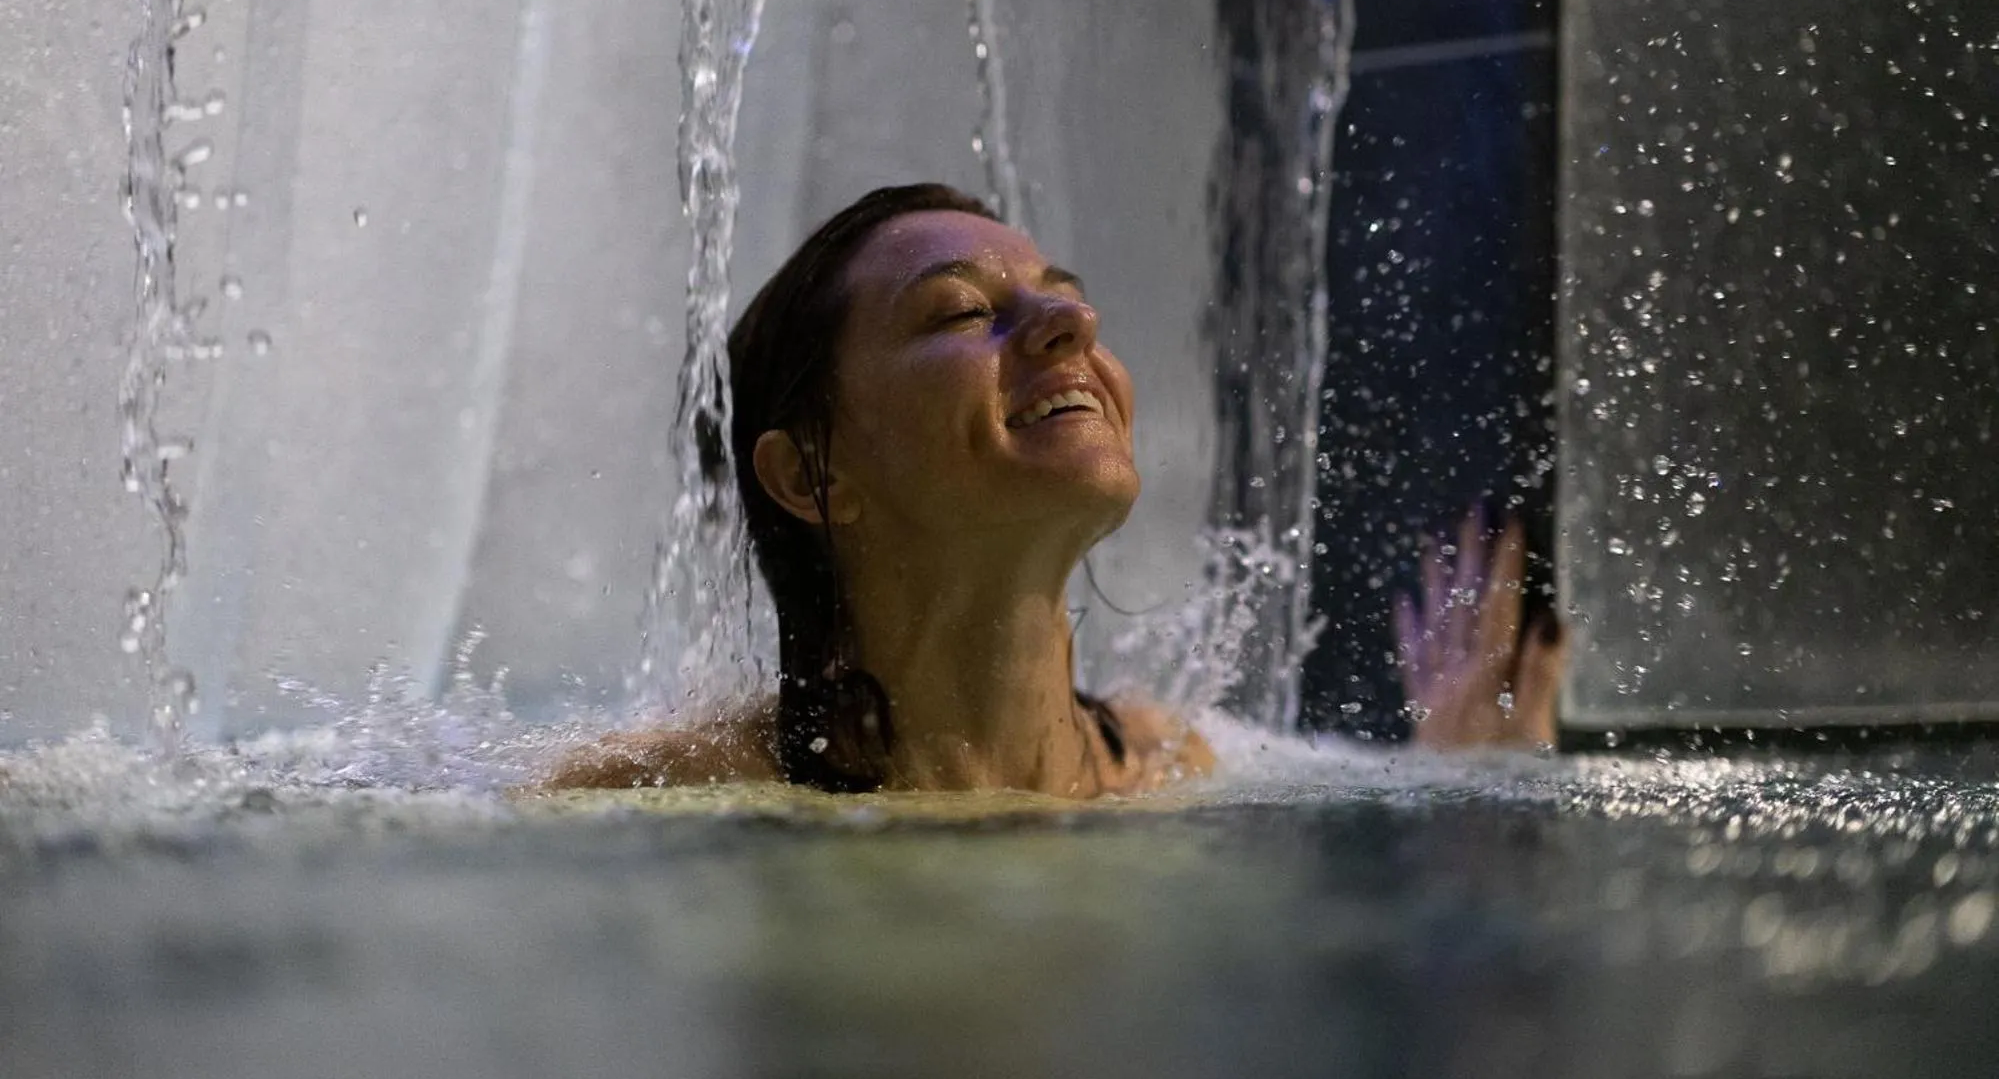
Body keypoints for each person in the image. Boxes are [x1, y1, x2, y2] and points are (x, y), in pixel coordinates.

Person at [545, 184, 1565, 797]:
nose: (1070, 327)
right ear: (811, 473)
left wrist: (1466, 777)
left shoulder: (1177, 763)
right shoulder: (678, 787)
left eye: (1064, 299)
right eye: (957, 314)